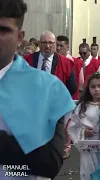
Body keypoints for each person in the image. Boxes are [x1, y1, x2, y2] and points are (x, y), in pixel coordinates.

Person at [0, 0, 75, 178]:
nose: (47, 46)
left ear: (20, 37)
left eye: (3, 30)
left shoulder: (50, 89)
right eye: (44, 42)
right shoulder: (31, 59)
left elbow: (48, 164)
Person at [24, 31, 78, 96]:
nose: (47, 46)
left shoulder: (66, 63)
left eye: (50, 43)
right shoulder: (26, 60)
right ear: (39, 43)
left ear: (55, 44)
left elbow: (72, 87)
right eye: (44, 42)